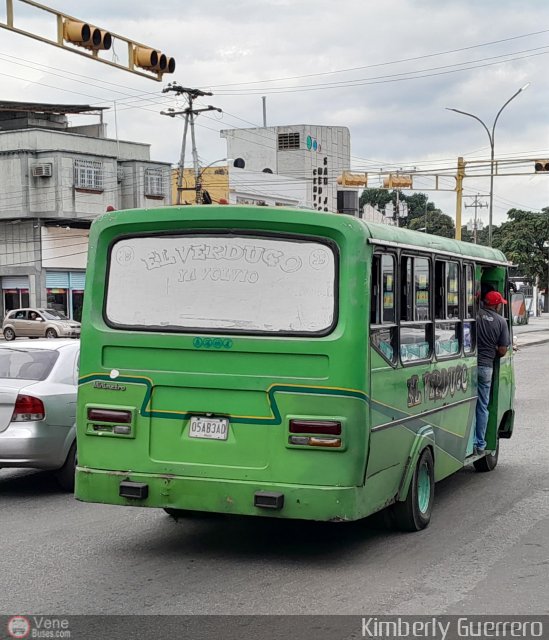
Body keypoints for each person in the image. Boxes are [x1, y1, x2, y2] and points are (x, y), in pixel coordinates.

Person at [474, 290, 511, 455]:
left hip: (468, 367)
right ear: (496, 305)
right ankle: (480, 444)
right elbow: (503, 350)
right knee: (482, 406)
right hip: (486, 367)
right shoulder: (501, 322)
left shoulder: (473, 315)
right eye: (499, 304)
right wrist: (494, 348)